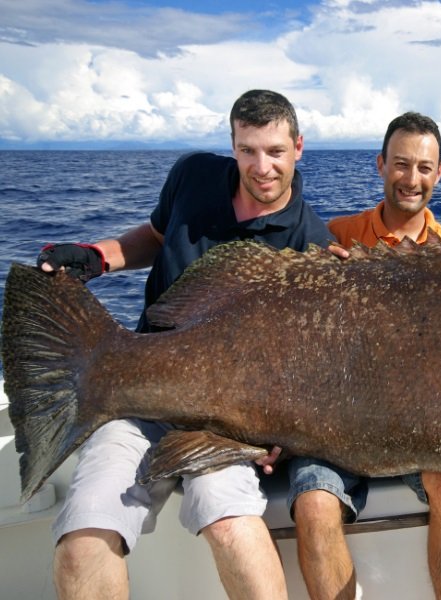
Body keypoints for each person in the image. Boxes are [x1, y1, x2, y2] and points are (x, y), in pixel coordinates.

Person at [37, 89, 333, 600]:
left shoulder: (313, 246)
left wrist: (287, 430)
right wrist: (97, 257)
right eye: (248, 150)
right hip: (139, 395)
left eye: (275, 151)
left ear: (299, 147)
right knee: (83, 537)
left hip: (226, 422)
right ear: (233, 145)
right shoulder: (192, 174)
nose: (261, 166)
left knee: (230, 524)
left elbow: (314, 367)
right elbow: (155, 235)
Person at [288, 112, 441, 600]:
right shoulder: (335, 235)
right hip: (333, 420)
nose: (412, 179)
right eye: (401, 164)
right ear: (381, 165)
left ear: (440, 173)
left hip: (417, 427)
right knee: (313, 505)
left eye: (424, 168)